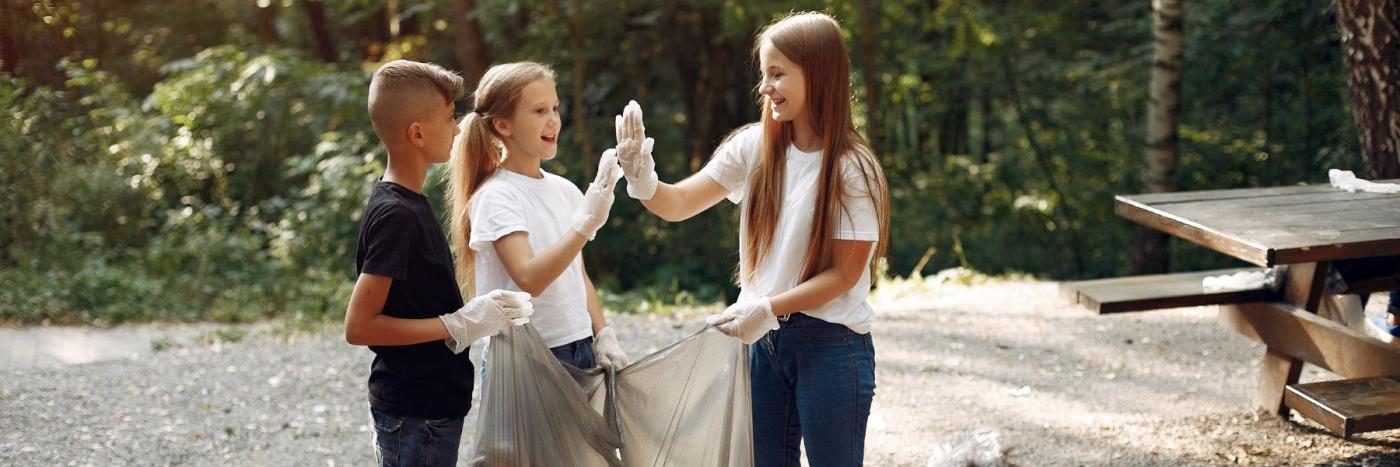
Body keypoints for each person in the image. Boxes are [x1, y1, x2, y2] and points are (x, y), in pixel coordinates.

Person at [613, 12, 888, 466]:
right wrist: (641, 176)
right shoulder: (752, 147)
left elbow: (845, 275)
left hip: (831, 345)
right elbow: (678, 204)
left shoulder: (852, 167)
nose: (765, 87)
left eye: (777, 74)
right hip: (762, 343)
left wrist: (767, 307)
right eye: (764, 75)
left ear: (817, 74)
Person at [343, 60, 534, 466]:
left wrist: (471, 318)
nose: (458, 127)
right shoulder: (397, 215)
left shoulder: (409, 204)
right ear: (417, 133)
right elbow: (359, 325)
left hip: (431, 406)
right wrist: (458, 325)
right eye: (449, 118)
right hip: (416, 411)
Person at [444, 61, 630, 372]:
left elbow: (577, 274)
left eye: (555, 108)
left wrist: (602, 335)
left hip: (580, 346)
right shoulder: (496, 196)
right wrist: (586, 225)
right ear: (504, 125)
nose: (553, 120)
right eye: (539, 111)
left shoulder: (565, 190)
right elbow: (529, 278)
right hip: (525, 358)